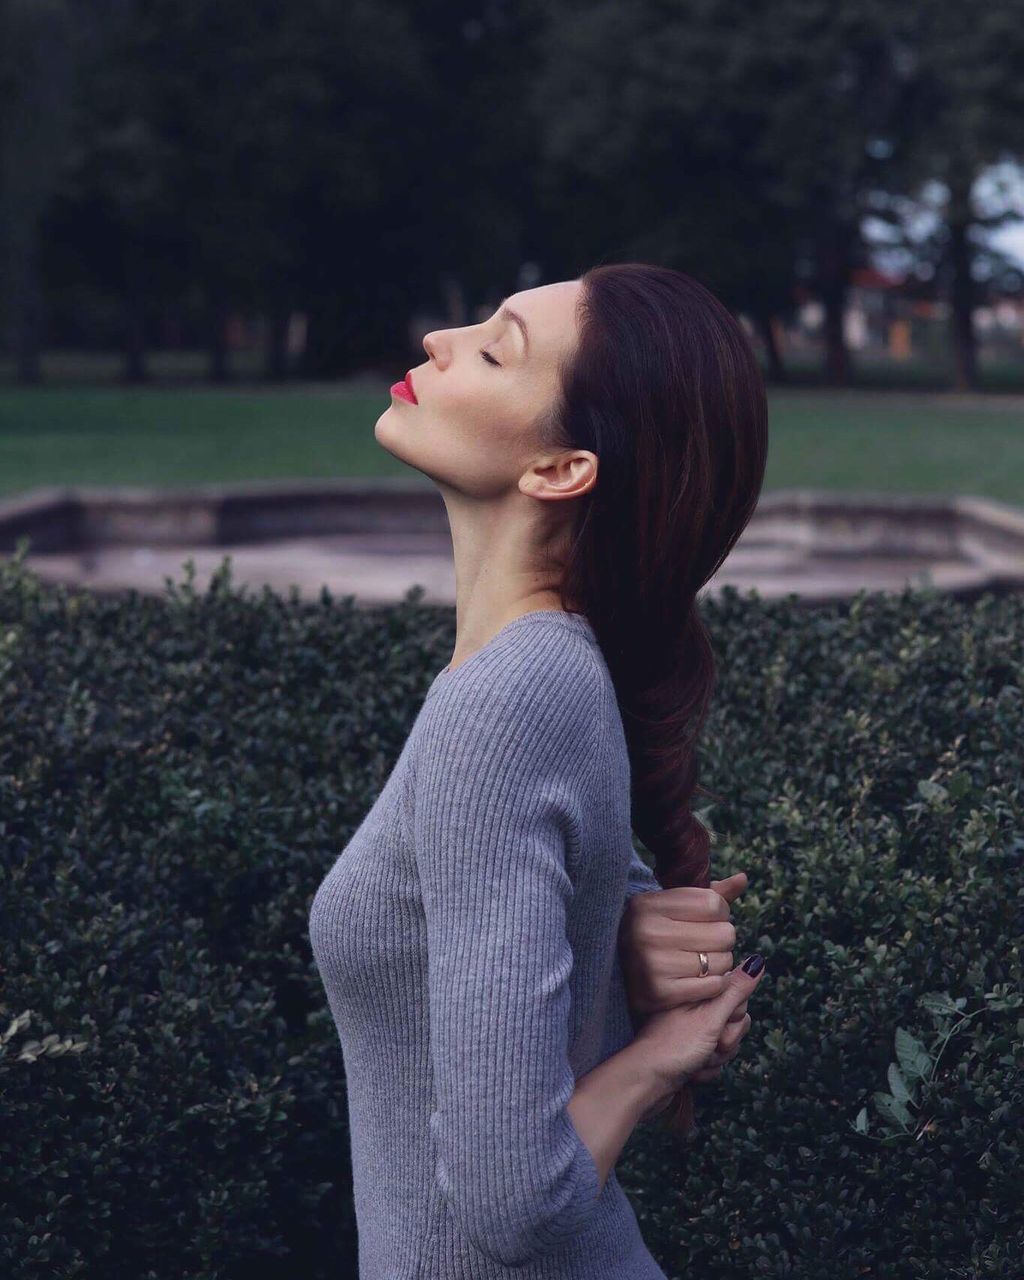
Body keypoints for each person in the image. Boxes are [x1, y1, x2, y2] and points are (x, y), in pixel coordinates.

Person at [309, 262, 770, 1278]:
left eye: (492, 346)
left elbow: (516, 1204)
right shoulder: (548, 672)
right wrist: (620, 945)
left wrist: (655, 1061)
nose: (440, 338)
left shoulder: (509, 702)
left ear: (559, 469)